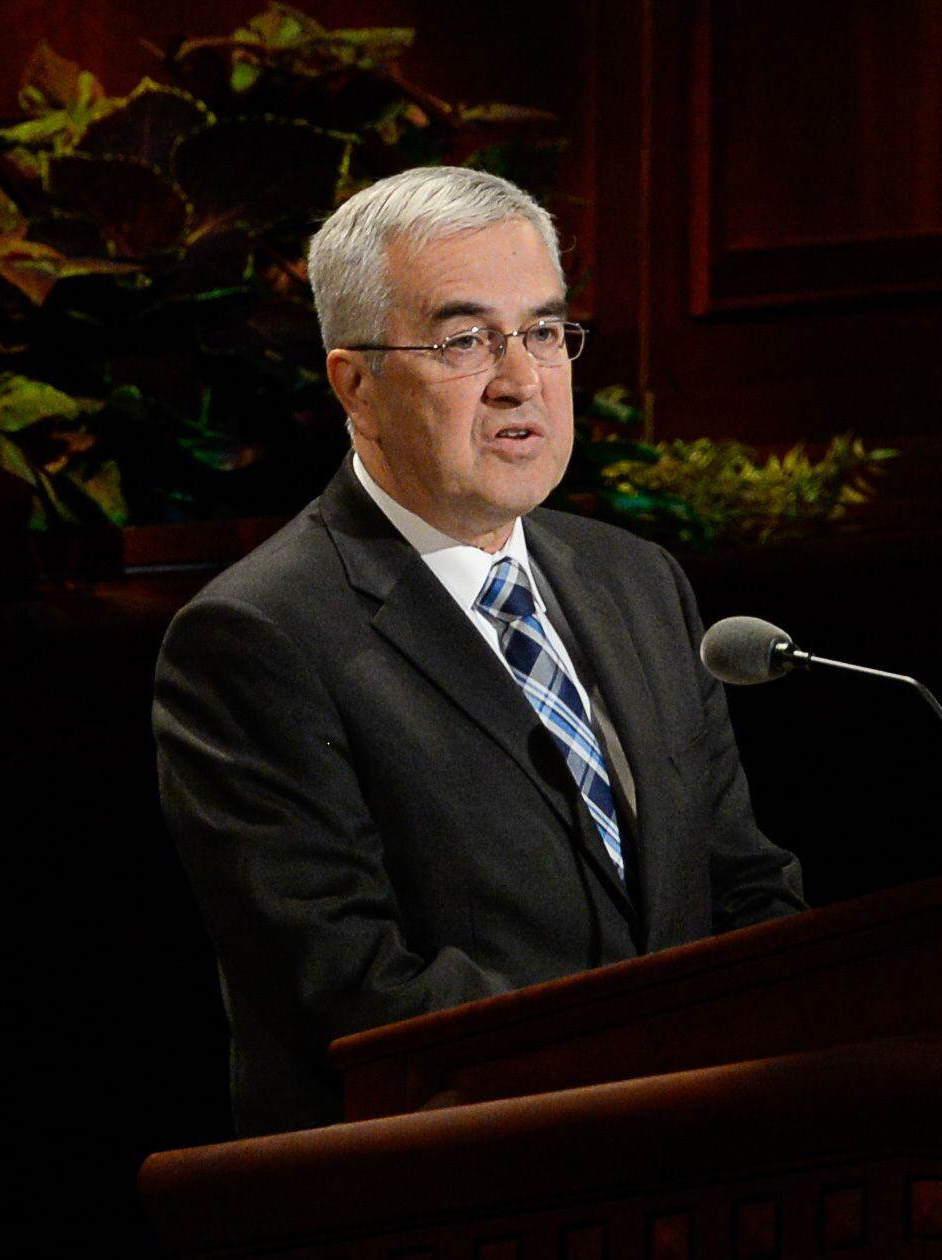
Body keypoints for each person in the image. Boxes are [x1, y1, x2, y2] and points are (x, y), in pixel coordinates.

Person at [152, 167, 804, 1137]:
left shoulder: (638, 583)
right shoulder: (256, 639)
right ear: (356, 386)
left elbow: (743, 888)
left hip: (693, 1161)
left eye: (544, 332)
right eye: (465, 340)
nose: (520, 378)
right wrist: (633, 1084)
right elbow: (348, 987)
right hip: (444, 1184)